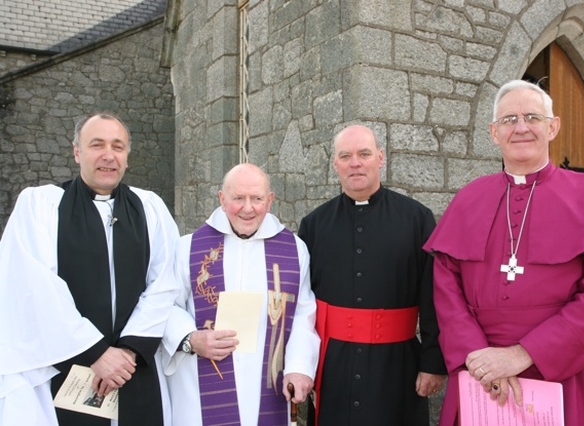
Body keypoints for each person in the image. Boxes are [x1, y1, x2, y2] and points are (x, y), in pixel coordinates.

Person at [423, 79, 584, 425]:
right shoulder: (468, 199)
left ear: (553, 127)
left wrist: (524, 354)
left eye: (532, 117)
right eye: (509, 120)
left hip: (567, 370)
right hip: (483, 372)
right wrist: (478, 357)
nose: (521, 127)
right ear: (493, 133)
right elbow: (446, 287)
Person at [0, 113, 181, 425]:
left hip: (132, 366)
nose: (108, 155)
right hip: (65, 364)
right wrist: (96, 353)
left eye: (117, 146)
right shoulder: (40, 206)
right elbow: (36, 287)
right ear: (76, 152)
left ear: (127, 155)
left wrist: (128, 352)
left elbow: (165, 282)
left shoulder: (150, 207)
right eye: (97, 145)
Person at [298, 124, 448, 425]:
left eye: (364, 153)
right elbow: (303, 304)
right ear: (335, 163)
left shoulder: (417, 219)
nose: (355, 162)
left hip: (397, 365)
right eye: (346, 155)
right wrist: (302, 365)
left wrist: (433, 362)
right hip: (333, 366)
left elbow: (435, 296)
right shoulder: (314, 225)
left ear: (380, 158)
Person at [160, 163, 320, 425]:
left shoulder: (293, 249)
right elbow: (165, 305)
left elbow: (303, 313)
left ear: (270, 201)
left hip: (268, 383)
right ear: (222, 199)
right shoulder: (188, 247)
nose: (248, 208)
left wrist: (299, 367)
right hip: (201, 386)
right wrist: (191, 338)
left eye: (256, 198)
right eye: (238, 199)